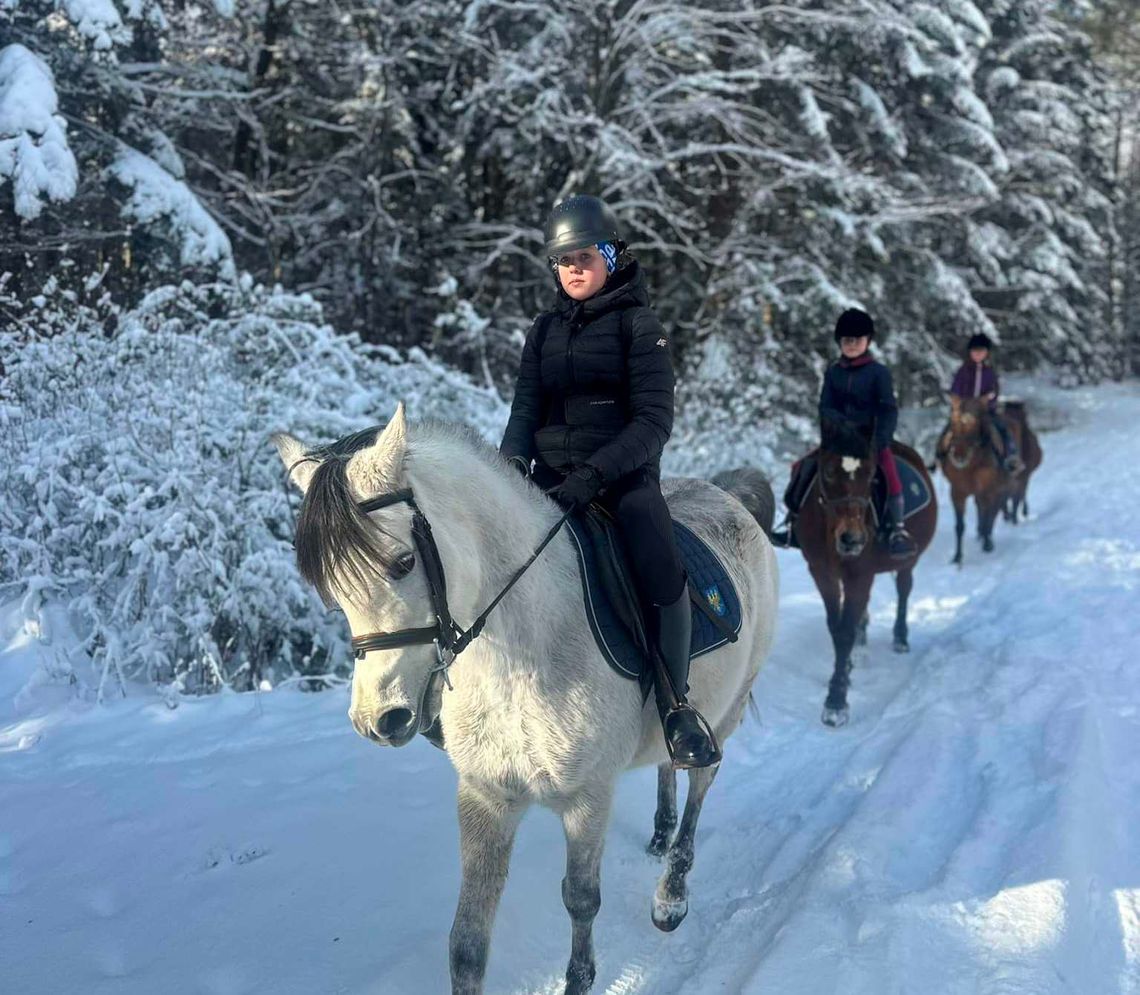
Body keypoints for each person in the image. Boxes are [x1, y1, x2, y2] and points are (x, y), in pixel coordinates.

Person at [498, 194, 718, 769]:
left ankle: (676, 705)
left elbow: (653, 420)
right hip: (550, 477)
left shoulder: (640, 327)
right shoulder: (543, 329)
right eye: (563, 259)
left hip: (622, 480)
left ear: (612, 256)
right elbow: (525, 411)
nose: (573, 267)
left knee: (655, 553)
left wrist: (595, 475)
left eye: (585, 256)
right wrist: (510, 469)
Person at [771, 308, 916, 558]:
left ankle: (897, 530)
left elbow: (888, 408)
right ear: (840, 342)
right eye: (846, 340)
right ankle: (793, 525)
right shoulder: (833, 372)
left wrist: (880, 440)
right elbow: (825, 406)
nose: (851, 345)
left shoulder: (878, 372)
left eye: (856, 340)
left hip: (870, 442)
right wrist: (836, 425)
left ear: (867, 342)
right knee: (802, 468)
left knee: (890, 474)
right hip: (838, 442)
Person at [933, 332, 1023, 472]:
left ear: (986, 353)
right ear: (970, 352)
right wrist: (956, 399)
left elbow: (994, 390)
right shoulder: (963, 371)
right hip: (964, 410)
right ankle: (939, 456)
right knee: (949, 430)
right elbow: (956, 389)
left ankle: (1010, 456)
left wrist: (989, 399)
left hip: (984, 411)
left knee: (1002, 428)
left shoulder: (989, 372)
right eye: (975, 351)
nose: (978, 354)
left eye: (981, 351)